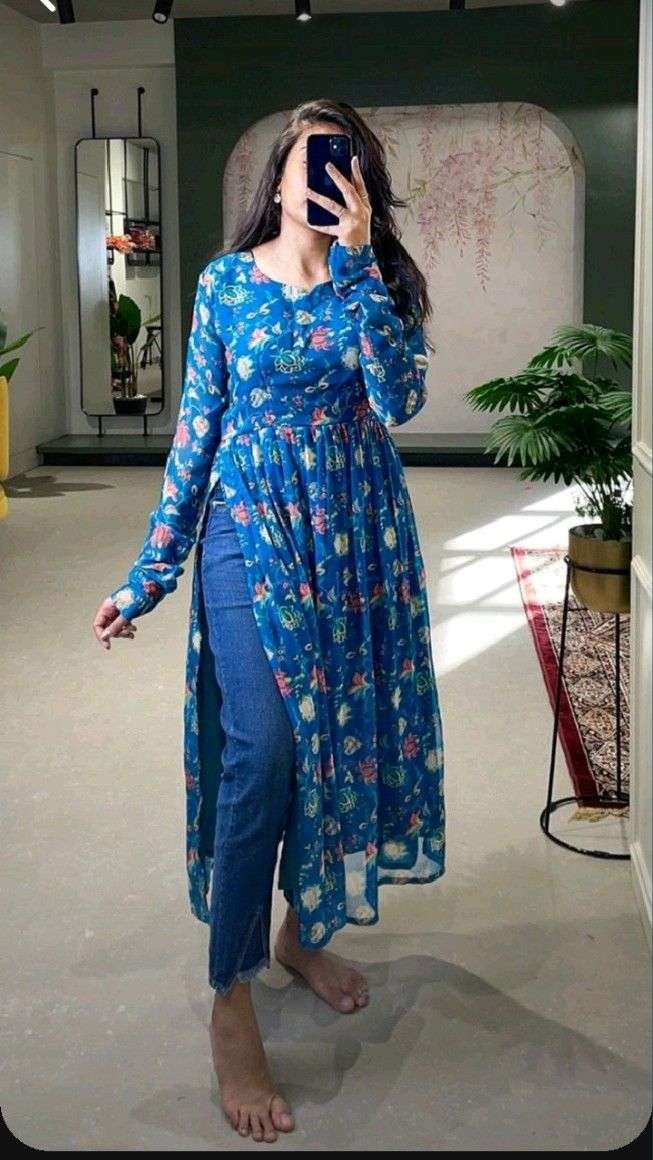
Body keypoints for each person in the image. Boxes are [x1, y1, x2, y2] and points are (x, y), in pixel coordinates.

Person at [93, 99, 445, 1144]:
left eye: (345, 163)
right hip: (249, 527)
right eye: (309, 160)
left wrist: (358, 264)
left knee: (331, 744)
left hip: (356, 543)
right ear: (278, 178)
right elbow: (196, 433)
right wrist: (151, 572)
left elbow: (399, 398)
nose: (324, 176)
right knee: (265, 748)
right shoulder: (223, 285)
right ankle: (231, 993)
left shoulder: (374, 280)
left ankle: (300, 933)